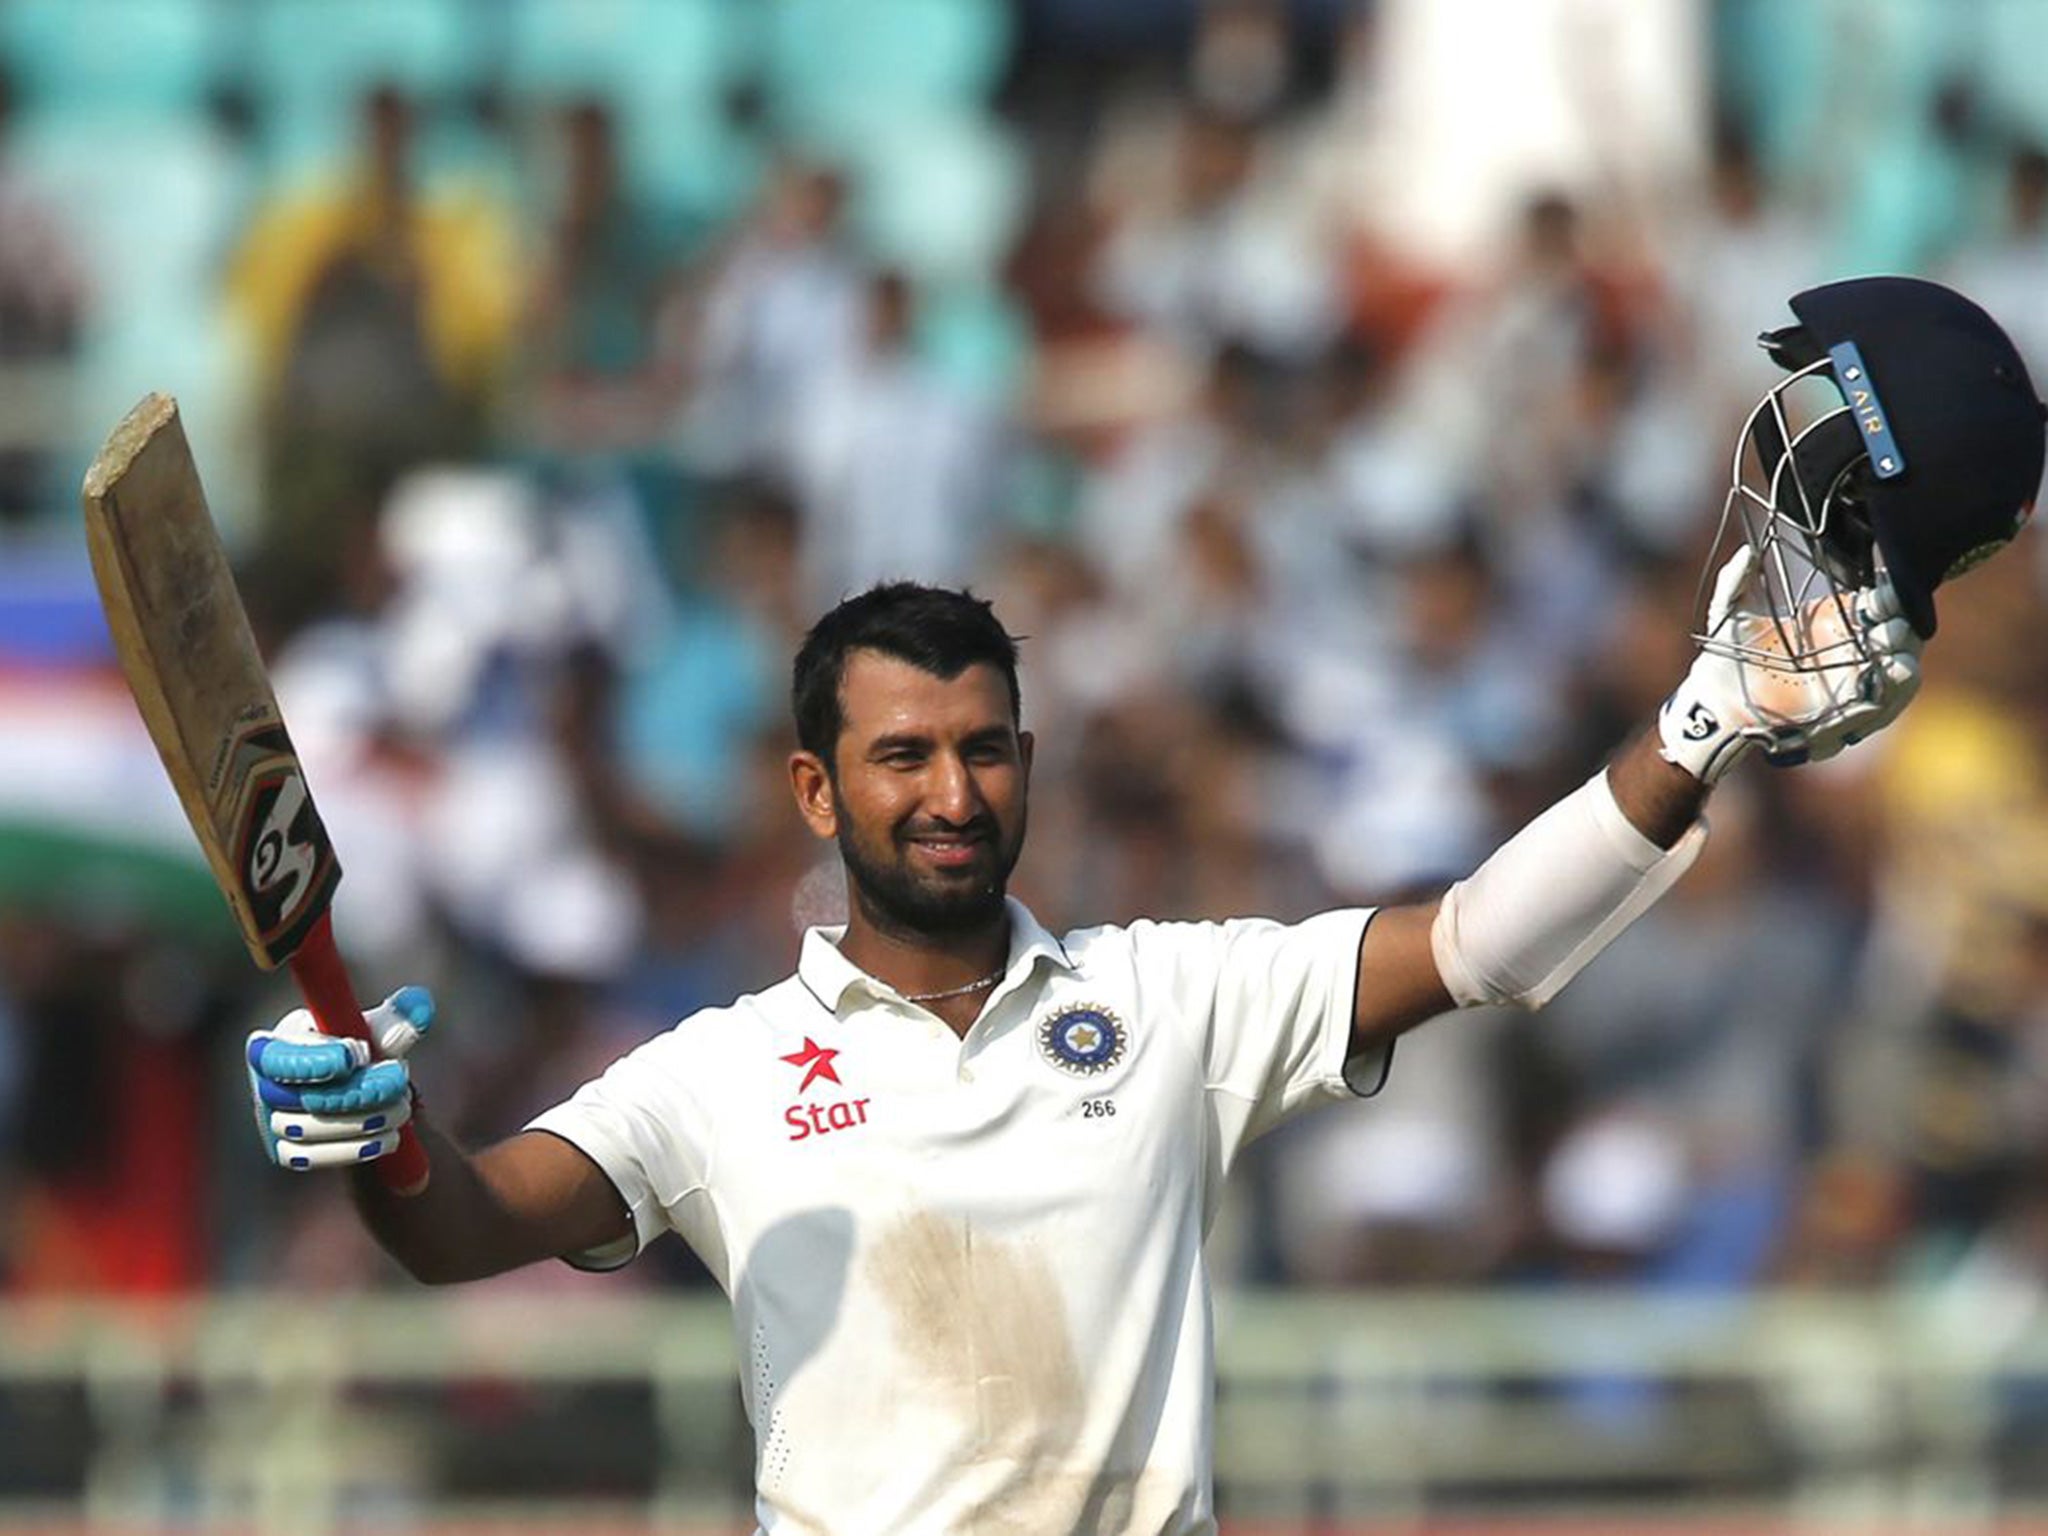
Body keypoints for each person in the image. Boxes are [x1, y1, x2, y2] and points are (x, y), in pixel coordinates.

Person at [244, 277, 2044, 1532]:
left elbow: (1484, 944)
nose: (951, 795)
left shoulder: (1168, 1002)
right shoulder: (720, 1075)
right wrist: (377, 1134)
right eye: (901, 759)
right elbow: (462, 1227)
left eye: (984, 749)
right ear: (817, 789)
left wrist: (1698, 726)